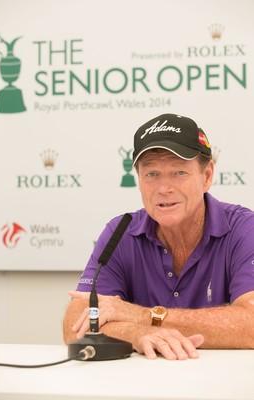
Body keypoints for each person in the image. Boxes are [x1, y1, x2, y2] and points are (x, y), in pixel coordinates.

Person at [63, 113, 254, 360]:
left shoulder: (244, 228)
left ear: (206, 176)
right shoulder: (120, 231)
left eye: (179, 173)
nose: (164, 188)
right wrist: (135, 333)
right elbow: (74, 324)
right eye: (152, 174)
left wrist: (143, 316)